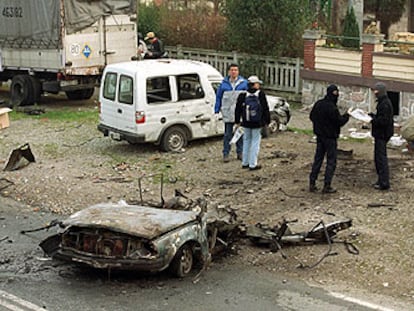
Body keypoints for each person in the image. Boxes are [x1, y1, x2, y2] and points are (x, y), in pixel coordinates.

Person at [309, 84, 350, 193]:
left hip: (319, 136)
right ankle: (327, 185)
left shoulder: (319, 104)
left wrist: (319, 125)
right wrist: (347, 116)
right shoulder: (332, 108)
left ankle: (312, 182)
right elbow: (339, 121)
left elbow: (311, 116)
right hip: (330, 138)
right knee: (331, 161)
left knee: (318, 159)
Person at [235, 75, 270, 170]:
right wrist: (267, 121)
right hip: (257, 123)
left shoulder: (242, 95)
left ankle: (245, 162)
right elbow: (265, 108)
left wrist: (237, 121)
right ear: (254, 84)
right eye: (257, 83)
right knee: (255, 142)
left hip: (246, 122)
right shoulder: (260, 94)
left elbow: (237, 109)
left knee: (246, 141)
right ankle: (253, 164)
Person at [214, 63, 248, 162]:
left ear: (238, 71)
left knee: (240, 133)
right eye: (232, 70)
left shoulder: (243, 83)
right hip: (228, 113)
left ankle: (240, 152)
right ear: (229, 71)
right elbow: (218, 97)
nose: (234, 72)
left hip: (240, 114)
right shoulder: (223, 84)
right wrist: (216, 110)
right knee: (227, 134)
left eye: (235, 70)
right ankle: (226, 154)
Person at [369, 82, 394, 190]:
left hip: (382, 134)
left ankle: (384, 182)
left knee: (381, 159)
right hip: (382, 134)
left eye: (376, 91)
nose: (374, 93)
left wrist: (372, 120)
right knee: (378, 158)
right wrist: (373, 116)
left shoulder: (384, 104)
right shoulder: (383, 102)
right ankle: (381, 180)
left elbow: (383, 121)